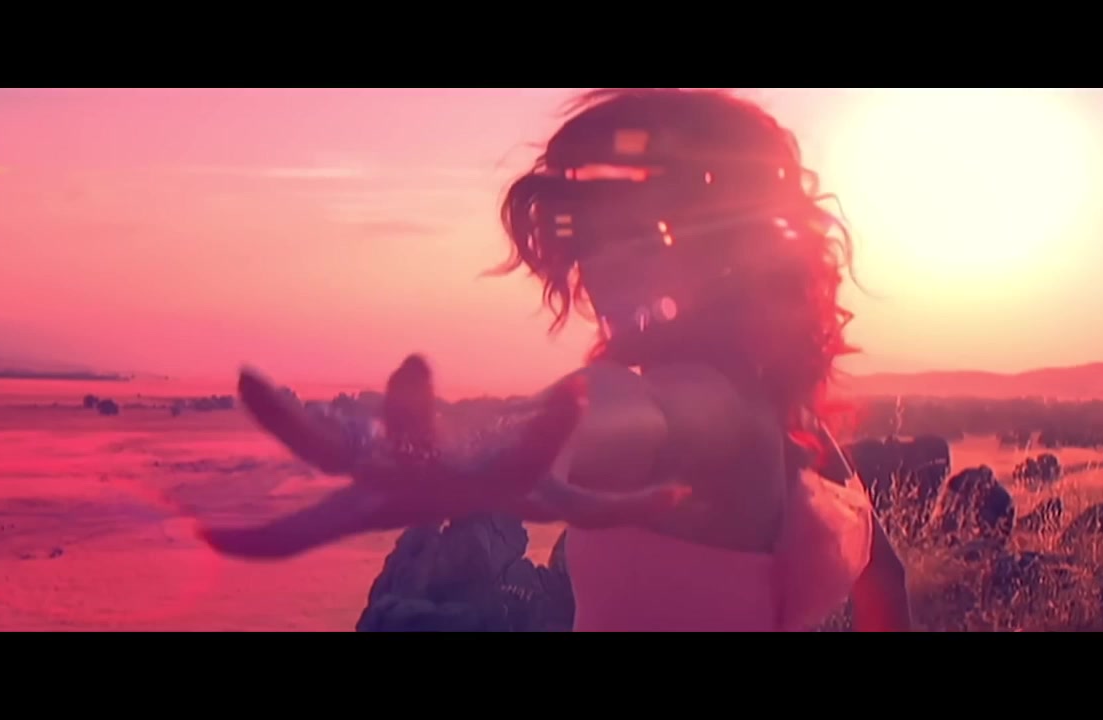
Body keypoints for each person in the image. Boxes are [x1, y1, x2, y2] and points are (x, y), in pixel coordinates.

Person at [199, 87, 911, 632]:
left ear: (724, 248)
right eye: (588, 237)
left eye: (637, 234)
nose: (598, 270)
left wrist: (465, 452)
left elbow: (614, 415)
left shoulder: (697, 406)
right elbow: (887, 580)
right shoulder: (796, 427)